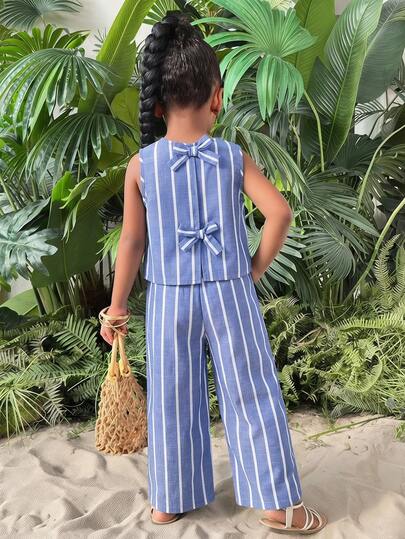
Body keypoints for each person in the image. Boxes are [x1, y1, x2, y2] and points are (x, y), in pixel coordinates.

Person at [99, 11, 327, 535]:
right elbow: (280, 213)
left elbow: (132, 241)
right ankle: (277, 504)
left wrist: (116, 307)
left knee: (172, 395)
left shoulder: (142, 166)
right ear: (217, 97)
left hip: (169, 298)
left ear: (157, 104)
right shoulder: (232, 157)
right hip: (230, 292)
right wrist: (251, 270)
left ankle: (168, 501)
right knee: (252, 392)